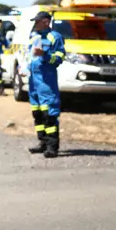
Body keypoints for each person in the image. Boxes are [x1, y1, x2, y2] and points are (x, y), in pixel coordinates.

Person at [26, 11, 65, 158]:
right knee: (37, 113)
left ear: (46, 22)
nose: (35, 24)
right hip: (33, 82)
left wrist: (45, 55)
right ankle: (42, 142)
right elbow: (29, 56)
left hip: (46, 81)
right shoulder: (34, 37)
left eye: (37, 21)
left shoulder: (55, 37)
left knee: (49, 113)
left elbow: (59, 59)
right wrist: (23, 67)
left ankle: (52, 146)